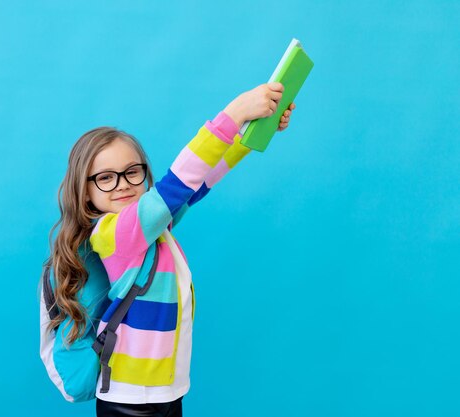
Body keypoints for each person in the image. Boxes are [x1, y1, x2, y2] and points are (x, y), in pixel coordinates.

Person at [45, 82, 295, 417]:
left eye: (132, 172)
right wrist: (234, 115)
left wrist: (253, 133)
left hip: (164, 391)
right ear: (85, 191)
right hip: (132, 399)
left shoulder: (152, 227)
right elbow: (178, 183)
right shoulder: (114, 233)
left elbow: (198, 182)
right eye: (105, 178)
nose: (122, 184)